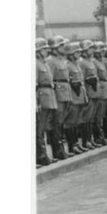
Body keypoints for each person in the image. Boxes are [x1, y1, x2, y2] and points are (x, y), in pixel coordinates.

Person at [36, 38, 59, 166]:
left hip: (49, 97)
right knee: (39, 130)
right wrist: (37, 101)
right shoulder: (35, 63)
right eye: (44, 49)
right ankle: (42, 156)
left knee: (44, 128)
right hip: (42, 98)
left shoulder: (44, 63)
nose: (46, 51)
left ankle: (44, 155)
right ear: (38, 51)